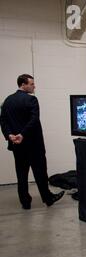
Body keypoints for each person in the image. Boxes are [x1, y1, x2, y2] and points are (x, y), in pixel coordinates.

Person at [0, 74, 64, 209]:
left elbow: (3, 121)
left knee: (21, 173)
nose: (34, 86)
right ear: (23, 85)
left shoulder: (8, 101)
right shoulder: (32, 100)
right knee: (40, 172)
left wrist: (10, 135)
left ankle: (25, 202)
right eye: (31, 84)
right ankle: (48, 198)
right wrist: (22, 134)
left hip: (17, 145)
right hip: (33, 144)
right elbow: (34, 120)